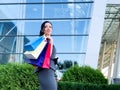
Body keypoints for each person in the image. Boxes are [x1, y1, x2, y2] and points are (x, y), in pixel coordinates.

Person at [35, 21, 58, 90]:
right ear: (42, 30)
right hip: (45, 70)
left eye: (50, 27)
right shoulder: (43, 41)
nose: (48, 28)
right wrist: (51, 41)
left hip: (49, 70)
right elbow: (48, 56)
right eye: (46, 26)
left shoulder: (48, 40)